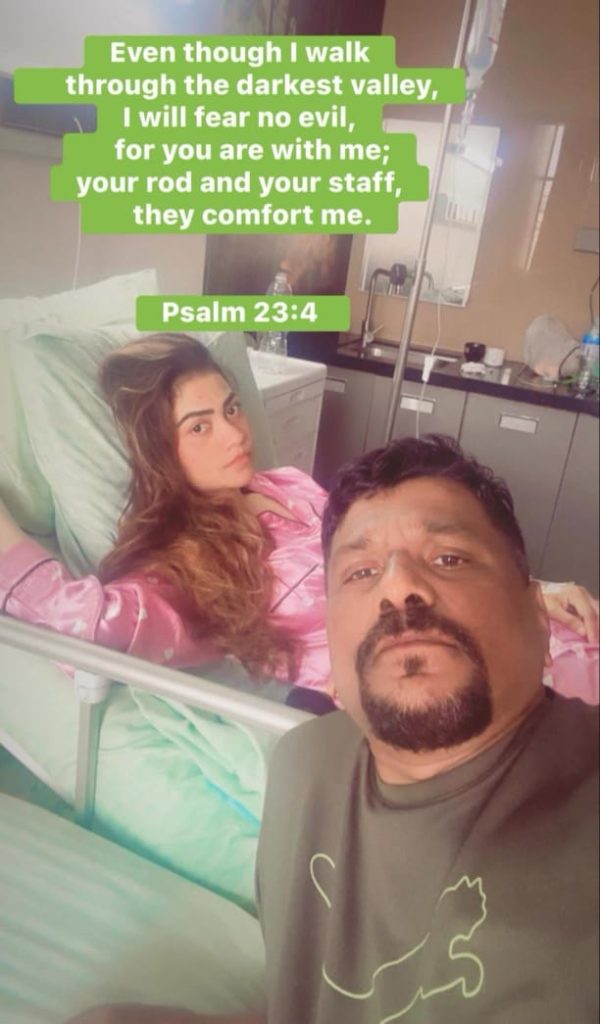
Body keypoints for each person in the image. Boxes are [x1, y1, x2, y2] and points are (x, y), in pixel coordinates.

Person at [68, 435, 599, 1024]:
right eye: (361, 571)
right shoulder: (305, 769)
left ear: (538, 613)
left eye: (448, 558)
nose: (397, 586)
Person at [0, 335, 597, 704]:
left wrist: (526, 593)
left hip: (519, 637)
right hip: (471, 692)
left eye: (232, 408)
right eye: (199, 426)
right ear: (160, 452)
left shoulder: (285, 484)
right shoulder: (185, 564)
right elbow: (89, 624)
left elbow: (398, 557)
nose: (236, 433)